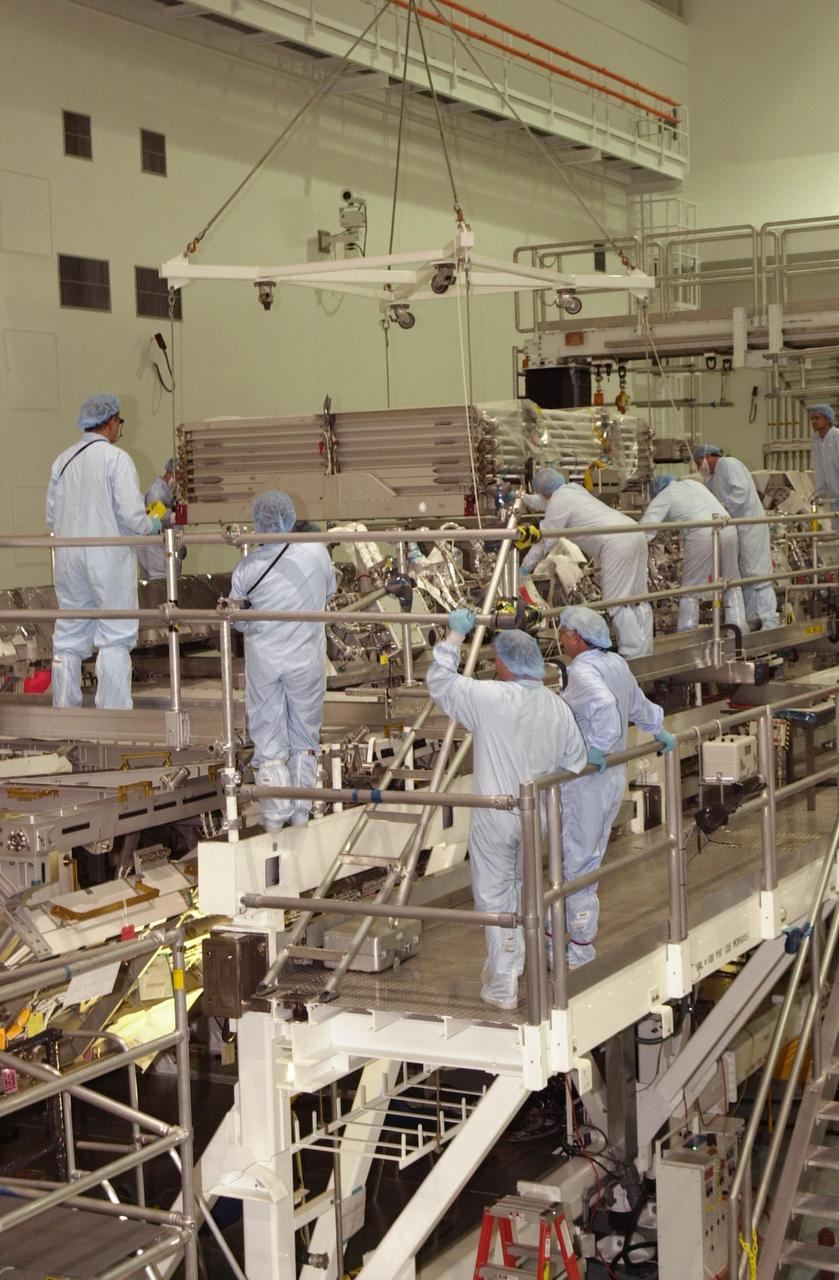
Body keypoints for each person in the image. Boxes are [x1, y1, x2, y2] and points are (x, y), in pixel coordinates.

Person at [425, 615, 587, 1010]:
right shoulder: (556, 705)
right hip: (539, 817)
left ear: (506, 664)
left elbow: (439, 681)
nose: (494, 664)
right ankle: (514, 964)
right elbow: (576, 761)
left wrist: (456, 635)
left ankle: (504, 984)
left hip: (497, 813)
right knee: (522, 887)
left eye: (496, 658)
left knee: (496, 894)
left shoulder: (489, 698)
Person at [556, 606, 676, 967]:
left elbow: (606, 706)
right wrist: (658, 729)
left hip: (588, 781)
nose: (559, 637)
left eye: (562, 631)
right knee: (587, 856)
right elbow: (637, 703)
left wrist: (598, 747)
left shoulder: (583, 670)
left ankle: (578, 947)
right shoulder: (616, 664)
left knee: (579, 860)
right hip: (610, 780)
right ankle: (558, 934)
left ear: (577, 636)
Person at [46, 394, 162, 709]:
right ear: (111, 422)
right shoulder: (116, 459)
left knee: (69, 635)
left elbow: (50, 515)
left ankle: (64, 710)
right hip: (107, 558)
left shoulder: (62, 460)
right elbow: (131, 517)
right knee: (115, 634)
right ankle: (113, 714)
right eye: (120, 423)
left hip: (69, 557)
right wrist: (152, 524)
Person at [231, 491, 336, 831]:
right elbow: (329, 592)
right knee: (305, 737)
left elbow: (237, 618)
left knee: (269, 739)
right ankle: (302, 814)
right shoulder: (317, 552)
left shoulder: (248, 567)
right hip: (306, 660)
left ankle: (275, 818)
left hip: (265, 663)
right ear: (290, 517)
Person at [519, 468, 653, 659]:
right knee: (638, 597)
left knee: (616, 602)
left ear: (543, 491)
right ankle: (645, 648)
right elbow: (544, 502)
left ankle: (633, 653)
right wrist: (523, 498)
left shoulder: (558, 501)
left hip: (615, 543)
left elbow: (546, 541)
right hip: (635, 532)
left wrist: (526, 565)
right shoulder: (571, 489)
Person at [640, 474, 747, 633]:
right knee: (731, 582)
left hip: (703, 531)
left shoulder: (665, 495)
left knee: (691, 589)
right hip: (728, 527)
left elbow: (645, 530)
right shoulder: (692, 484)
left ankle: (687, 634)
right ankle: (738, 632)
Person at [693, 445, 779, 630]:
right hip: (734, 529)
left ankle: (769, 619)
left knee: (757, 572)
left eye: (698, 461)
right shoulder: (710, 479)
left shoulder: (730, 465)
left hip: (750, 526)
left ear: (708, 456)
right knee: (743, 576)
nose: (698, 466)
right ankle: (751, 617)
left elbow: (741, 491)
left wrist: (723, 508)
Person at [138, 458, 184, 581]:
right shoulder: (156, 494)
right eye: (180, 478)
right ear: (172, 474)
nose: (180, 483)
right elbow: (153, 519)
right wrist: (174, 516)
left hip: (164, 554)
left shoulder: (168, 492)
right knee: (161, 592)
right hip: (157, 557)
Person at [809, 404, 839, 509]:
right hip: (829, 497)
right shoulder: (815, 440)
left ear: (827, 419)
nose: (813, 421)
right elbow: (819, 469)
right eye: (812, 418)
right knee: (834, 524)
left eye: (817, 418)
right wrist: (820, 492)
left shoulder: (837, 437)